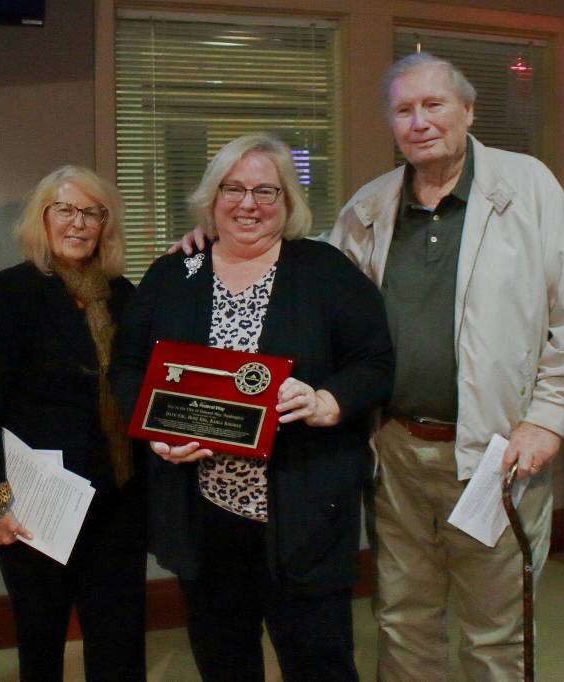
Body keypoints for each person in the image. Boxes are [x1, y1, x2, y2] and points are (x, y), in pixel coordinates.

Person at [329, 54, 564, 680]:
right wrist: (215, 241)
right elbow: (311, 290)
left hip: (496, 454)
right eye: (404, 110)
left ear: (468, 111)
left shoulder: (526, 187)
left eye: (434, 105)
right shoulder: (370, 206)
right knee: (402, 622)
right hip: (398, 451)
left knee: (497, 633)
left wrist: (547, 420)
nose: (419, 122)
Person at [112, 133, 394, 682]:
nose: (248, 204)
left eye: (266, 191)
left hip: (304, 510)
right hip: (203, 516)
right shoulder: (176, 273)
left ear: (288, 201)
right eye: (233, 189)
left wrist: (328, 400)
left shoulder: (324, 270)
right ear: (212, 199)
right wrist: (153, 429)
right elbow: (127, 365)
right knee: (223, 661)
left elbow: (375, 362)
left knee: (320, 662)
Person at [0, 166, 147, 681]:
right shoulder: (11, 292)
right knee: (40, 640)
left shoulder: (123, 295)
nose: (79, 223)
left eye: (92, 212)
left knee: (120, 642)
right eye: (65, 209)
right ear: (42, 219)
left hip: (118, 500)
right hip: (37, 506)